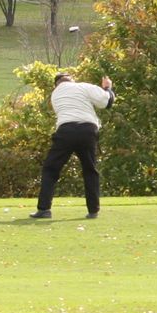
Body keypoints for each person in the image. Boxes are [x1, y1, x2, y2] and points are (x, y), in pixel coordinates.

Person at [32, 72, 114, 221]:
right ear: (72, 80)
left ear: (56, 85)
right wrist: (107, 88)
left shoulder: (55, 95)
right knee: (90, 169)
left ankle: (44, 209)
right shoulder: (83, 87)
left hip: (66, 131)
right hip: (87, 130)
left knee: (51, 169)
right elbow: (106, 103)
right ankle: (93, 210)